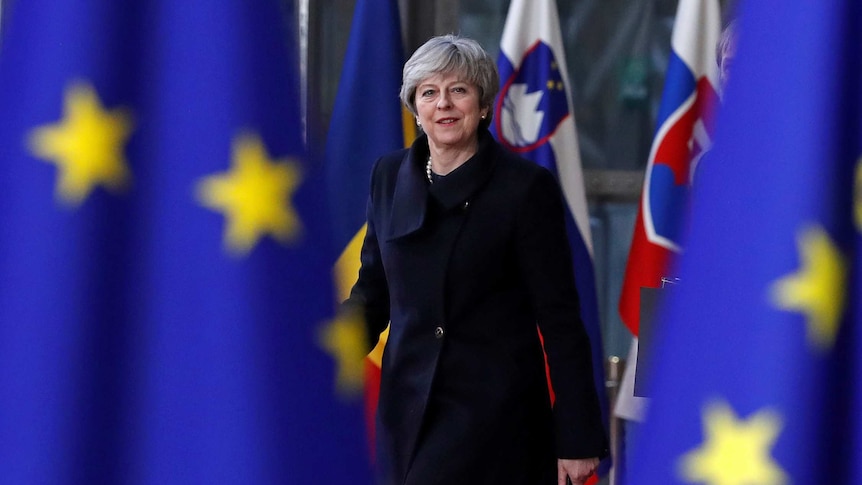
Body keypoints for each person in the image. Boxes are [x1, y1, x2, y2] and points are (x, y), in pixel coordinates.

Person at [343, 34, 608, 485]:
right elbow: (371, 295)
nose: (443, 103)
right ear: (415, 109)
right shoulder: (388, 176)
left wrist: (578, 436)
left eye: (458, 90)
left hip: (493, 418)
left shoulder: (524, 188)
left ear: (483, 105)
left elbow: (561, 319)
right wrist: (319, 359)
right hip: (406, 412)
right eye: (429, 92)